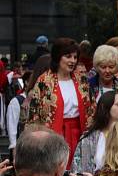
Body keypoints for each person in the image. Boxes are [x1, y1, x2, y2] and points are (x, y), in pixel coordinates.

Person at [27, 37, 95, 167]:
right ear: (58, 57)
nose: (72, 61)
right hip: (53, 135)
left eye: (75, 57)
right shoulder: (44, 81)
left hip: (79, 135)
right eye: (68, 56)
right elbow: (34, 115)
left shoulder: (82, 81)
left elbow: (91, 109)